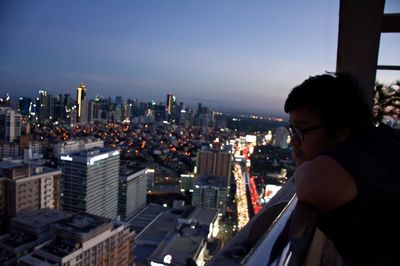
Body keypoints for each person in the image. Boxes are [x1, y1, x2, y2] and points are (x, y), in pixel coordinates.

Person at [284, 72, 400, 265]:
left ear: (340, 130)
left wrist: (301, 163)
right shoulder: (384, 140)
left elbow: (311, 185)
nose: (293, 141)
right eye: (292, 130)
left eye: (301, 130)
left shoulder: (356, 159)